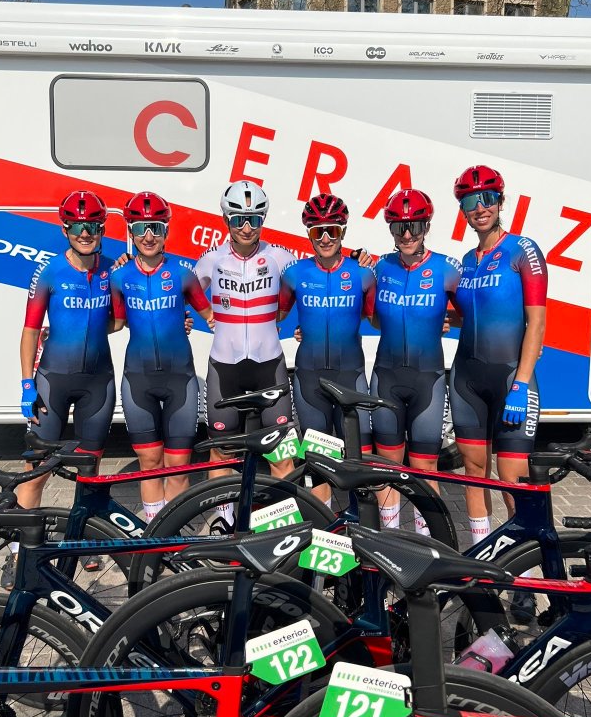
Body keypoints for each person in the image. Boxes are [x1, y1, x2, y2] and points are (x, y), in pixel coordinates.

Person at [13, 189, 122, 586]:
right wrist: (27, 383)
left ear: (102, 228)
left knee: (89, 471)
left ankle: (82, 541)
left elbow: (117, 322)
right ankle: (19, 551)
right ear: (65, 229)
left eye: (93, 225)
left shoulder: (112, 269)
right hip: (53, 382)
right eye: (77, 226)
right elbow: (30, 330)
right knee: (36, 471)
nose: (85, 232)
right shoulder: (49, 272)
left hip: (98, 382)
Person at [449, 165, 547, 582]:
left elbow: (537, 323)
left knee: (513, 480)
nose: (480, 208)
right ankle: (482, 566)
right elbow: (473, 315)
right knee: (474, 471)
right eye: (471, 201)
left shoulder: (522, 250)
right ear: (463, 210)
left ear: (501, 201)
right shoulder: (466, 261)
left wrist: (521, 384)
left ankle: (527, 577)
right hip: (467, 378)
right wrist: (450, 319)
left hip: (511, 379)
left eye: (488, 198)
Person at [110, 192, 214, 523]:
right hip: (138, 381)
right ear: (131, 231)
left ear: (166, 231)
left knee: (178, 466)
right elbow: (115, 323)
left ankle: (173, 531)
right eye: (141, 228)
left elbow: (213, 317)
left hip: (179, 381)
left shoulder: (183, 273)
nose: (148, 235)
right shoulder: (119, 276)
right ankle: (155, 536)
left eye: (155, 227)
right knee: (150, 463)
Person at [370, 189, 462, 529]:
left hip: (428, 381)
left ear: (427, 227)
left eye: (415, 226)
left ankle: (428, 542)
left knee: (425, 467)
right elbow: (372, 317)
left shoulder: (447, 268)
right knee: (387, 467)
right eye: (399, 227)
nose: (407, 235)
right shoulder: (380, 267)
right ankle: (390, 539)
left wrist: (448, 318)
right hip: (387, 378)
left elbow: (476, 313)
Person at [278, 193, 375, 505]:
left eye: (332, 230)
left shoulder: (363, 273)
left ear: (342, 231)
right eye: (317, 231)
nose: (325, 238)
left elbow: (375, 317)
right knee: (318, 462)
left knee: (357, 460)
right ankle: (324, 527)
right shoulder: (295, 273)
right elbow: (275, 315)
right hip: (311, 379)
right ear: (308, 234)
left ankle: (361, 524)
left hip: (350, 377)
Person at [194, 180, 296, 478]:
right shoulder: (212, 259)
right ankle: (224, 511)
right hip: (225, 367)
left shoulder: (280, 257)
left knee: (282, 455)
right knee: (221, 455)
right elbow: (180, 291)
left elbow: (316, 279)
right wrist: (200, 315)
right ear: (227, 219)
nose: (247, 228)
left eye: (254, 220)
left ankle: (284, 510)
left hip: (269, 366)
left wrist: (359, 261)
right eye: (239, 220)